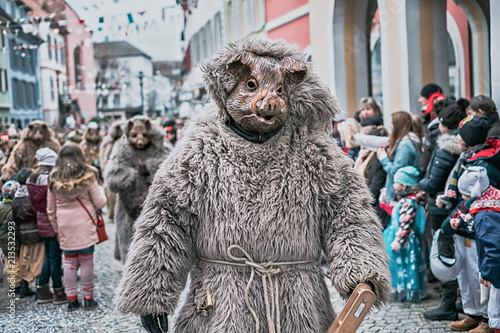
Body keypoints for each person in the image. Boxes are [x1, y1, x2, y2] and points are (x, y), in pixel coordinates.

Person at [47, 143, 107, 311]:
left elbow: (50, 209)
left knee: (69, 263)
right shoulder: (88, 175)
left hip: (65, 224)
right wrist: (101, 190)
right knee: (87, 261)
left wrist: (56, 228)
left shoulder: (53, 178)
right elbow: (100, 202)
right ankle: (88, 298)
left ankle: (71, 298)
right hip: (84, 222)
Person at [440, 166, 492, 332]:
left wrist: (461, 224)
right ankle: (472, 312)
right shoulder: (463, 205)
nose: (462, 196)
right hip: (463, 247)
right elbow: (445, 226)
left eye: (465, 193)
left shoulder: (486, 207)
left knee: (481, 283)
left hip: (478, 249)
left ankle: (488, 318)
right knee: (466, 280)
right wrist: (452, 224)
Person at [27, 147, 67, 305]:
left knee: (49, 256)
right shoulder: (50, 179)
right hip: (52, 219)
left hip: (40, 219)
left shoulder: (32, 177)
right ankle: (57, 290)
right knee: (55, 257)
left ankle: (42, 289)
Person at [383, 166, 427, 302]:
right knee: (399, 266)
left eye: (395, 182)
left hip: (405, 242)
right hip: (401, 239)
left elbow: (405, 223)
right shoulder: (405, 200)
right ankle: (402, 290)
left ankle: (408, 292)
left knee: (405, 266)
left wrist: (399, 240)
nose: (393, 185)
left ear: (403, 185)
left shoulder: (408, 203)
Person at [377, 111, 422, 201]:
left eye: (392, 124)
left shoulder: (405, 144)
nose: (390, 126)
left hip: (402, 193)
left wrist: (383, 158)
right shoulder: (406, 141)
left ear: (399, 125)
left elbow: (396, 170)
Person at [0, 181, 21, 293]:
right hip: (14, 238)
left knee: (10, 262)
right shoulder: (15, 208)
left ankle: (13, 283)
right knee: (16, 262)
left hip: (4, 239)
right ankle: (15, 285)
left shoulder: (1, 207)